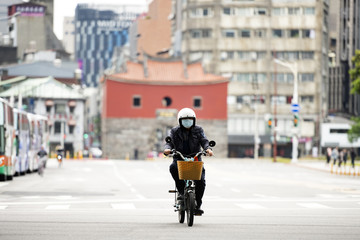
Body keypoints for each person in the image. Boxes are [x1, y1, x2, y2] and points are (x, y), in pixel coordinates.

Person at [164, 108, 213, 215]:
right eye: (185, 120)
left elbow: (204, 141)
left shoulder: (198, 130)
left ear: (194, 120)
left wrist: (208, 149)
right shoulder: (174, 131)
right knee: (173, 168)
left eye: (190, 119)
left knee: (201, 180)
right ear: (179, 121)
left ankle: (198, 203)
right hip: (179, 158)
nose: (188, 122)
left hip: (195, 158)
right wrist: (167, 149)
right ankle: (181, 192)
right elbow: (169, 142)